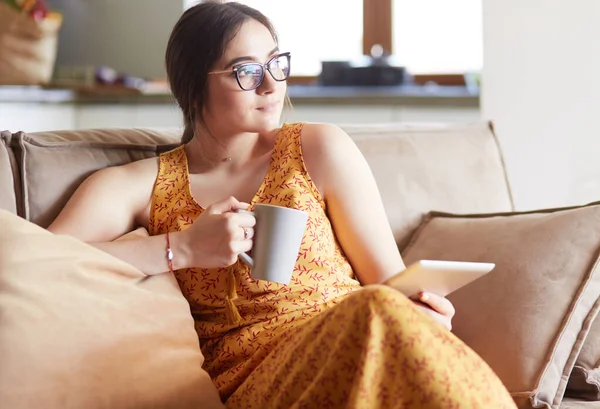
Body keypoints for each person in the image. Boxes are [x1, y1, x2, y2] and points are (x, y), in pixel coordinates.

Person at [48, 1, 517, 408]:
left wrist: (423, 314)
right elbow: (44, 262)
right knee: (376, 313)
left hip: (361, 339)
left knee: (383, 313)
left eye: (277, 64)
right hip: (259, 380)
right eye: (247, 71)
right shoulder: (139, 184)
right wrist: (182, 247)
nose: (271, 85)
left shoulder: (319, 148)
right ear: (192, 85)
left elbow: (389, 287)